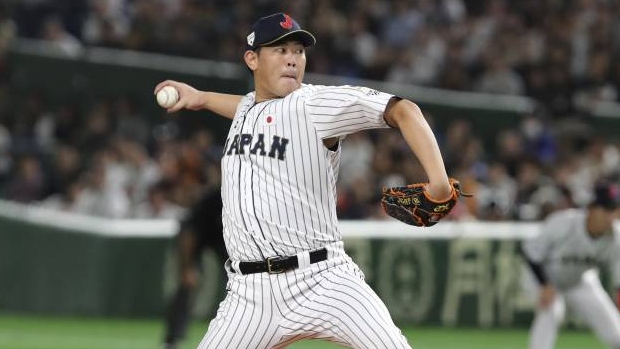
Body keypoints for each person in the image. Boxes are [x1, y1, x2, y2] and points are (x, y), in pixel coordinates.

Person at [155, 12, 454, 349]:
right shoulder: (247, 109)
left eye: (298, 51)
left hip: (323, 279)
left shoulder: (315, 104)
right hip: (250, 296)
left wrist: (439, 184)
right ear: (252, 59)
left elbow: (404, 110)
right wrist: (201, 98)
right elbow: (250, 107)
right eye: (280, 51)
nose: (292, 60)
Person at [520, 181, 620, 349]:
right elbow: (531, 252)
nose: (611, 216)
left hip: (580, 280)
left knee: (616, 332)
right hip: (544, 275)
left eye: (615, 210)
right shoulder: (564, 222)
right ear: (591, 208)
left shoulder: (616, 238)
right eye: (606, 209)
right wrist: (545, 285)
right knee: (552, 312)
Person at [162, 188, 228, 349]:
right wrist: (187, 268)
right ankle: (172, 338)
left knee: (244, 282)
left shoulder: (246, 199)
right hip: (195, 241)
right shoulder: (212, 199)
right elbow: (189, 235)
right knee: (185, 285)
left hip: (225, 242)